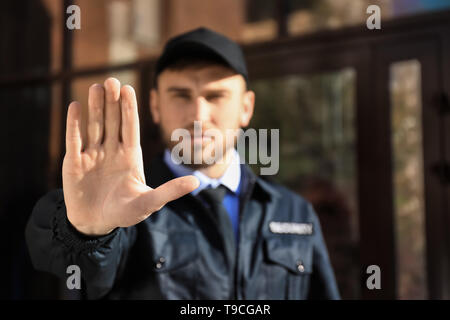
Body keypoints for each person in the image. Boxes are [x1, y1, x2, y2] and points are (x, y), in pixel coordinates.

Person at [25, 27, 340, 300]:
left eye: (215, 96)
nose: (199, 117)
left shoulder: (293, 211)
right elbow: (83, 279)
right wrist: (88, 234)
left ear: (246, 108)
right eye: (181, 95)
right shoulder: (124, 207)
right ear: (155, 106)